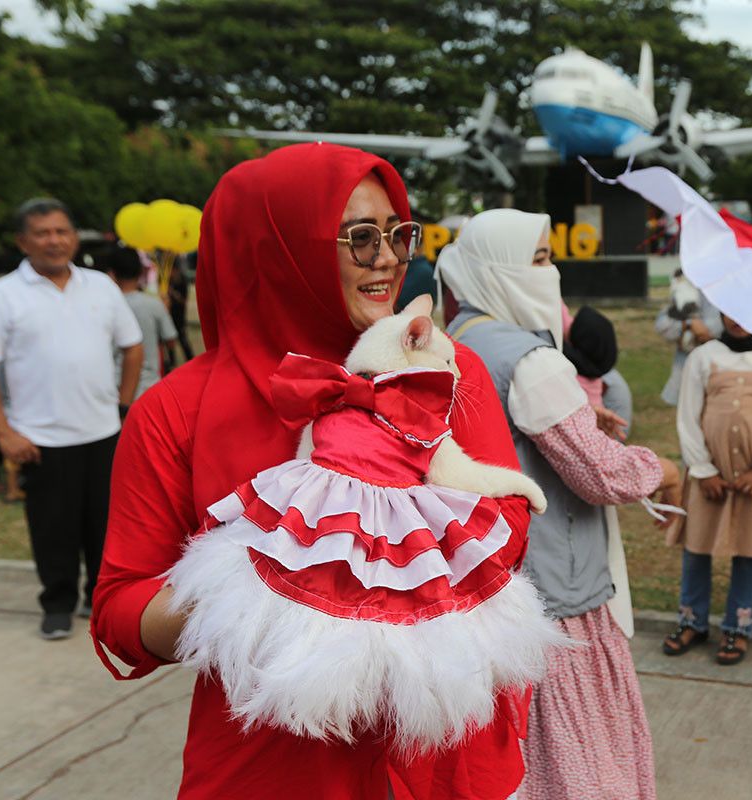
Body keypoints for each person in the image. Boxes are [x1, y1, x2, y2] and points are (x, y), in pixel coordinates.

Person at [92, 143, 535, 800]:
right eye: (358, 237)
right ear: (277, 252)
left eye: (397, 234)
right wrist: (255, 587)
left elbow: (511, 529)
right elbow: (119, 607)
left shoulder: (445, 368)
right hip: (276, 769)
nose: (386, 257)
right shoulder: (174, 409)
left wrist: (388, 542)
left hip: (445, 759)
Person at [437, 209, 681, 800]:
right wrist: (664, 469)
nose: (551, 273)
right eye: (541, 259)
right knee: (581, 759)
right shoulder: (530, 358)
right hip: (554, 590)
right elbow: (600, 472)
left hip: (481, 579)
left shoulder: (457, 338)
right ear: (502, 269)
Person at [0, 198, 142, 639]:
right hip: (40, 437)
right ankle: (57, 603)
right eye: (43, 233)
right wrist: (3, 433)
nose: (54, 241)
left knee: (105, 525)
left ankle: (99, 597)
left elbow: (132, 347)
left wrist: (123, 404)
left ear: (74, 237)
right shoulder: (2, 296)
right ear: (22, 241)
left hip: (102, 432)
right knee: (52, 529)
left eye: (62, 231)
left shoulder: (100, 286)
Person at [663, 313, 752, 665]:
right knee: (696, 546)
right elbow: (688, 417)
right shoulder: (704, 356)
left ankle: (739, 626)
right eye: (731, 311)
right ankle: (692, 620)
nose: (739, 319)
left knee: (747, 550)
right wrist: (703, 470)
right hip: (711, 474)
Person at [106, 246, 178, 399]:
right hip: (149, 388)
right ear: (140, 272)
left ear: (111, 274)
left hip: (114, 386)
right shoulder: (154, 304)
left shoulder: (104, 305)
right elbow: (170, 340)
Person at [654, 268, 722, 405]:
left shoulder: (724, 289)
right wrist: (688, 324)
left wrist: (697, 329)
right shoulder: (683, 287)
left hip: (719, 369)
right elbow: (662, 325)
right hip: (686, 369)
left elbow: (713, 330)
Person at [165, 256, 194, 365]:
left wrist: (173, 293)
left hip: (179, 314)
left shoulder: (182, 281)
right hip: (170, 314)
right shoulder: (168, 281)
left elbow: (184, 301)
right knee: (170, 339)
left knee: (182, 339)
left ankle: (190, 358)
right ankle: (172, 361)